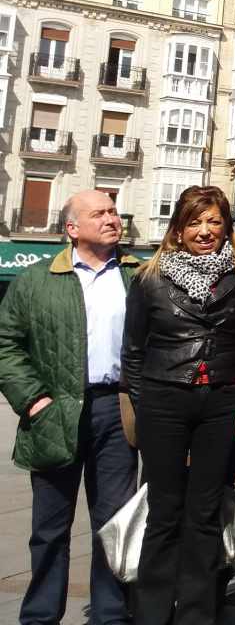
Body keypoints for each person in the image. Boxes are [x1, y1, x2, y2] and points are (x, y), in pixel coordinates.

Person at [0, 191, 139, 625]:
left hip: (116, 411)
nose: (111, 218)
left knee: (114, 523)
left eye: (114, 211)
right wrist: (33, 399)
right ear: (72, 228)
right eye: (98, 213)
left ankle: (110, 614)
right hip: (54, 411)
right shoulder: (38, 279)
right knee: (49, 529)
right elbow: (6, 343)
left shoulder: (139, 276)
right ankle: (40, 616)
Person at [122, 186, 235, 624]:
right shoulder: (147, 278)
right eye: (195, 223)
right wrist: (147, 403)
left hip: (222, 397)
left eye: (214, 222)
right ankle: (152, 613)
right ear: (177, 230)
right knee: (164, 511)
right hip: (164, 399)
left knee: (205, 511)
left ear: (226, 227)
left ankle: (197, 614)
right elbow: (134, 352)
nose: (205, 231)